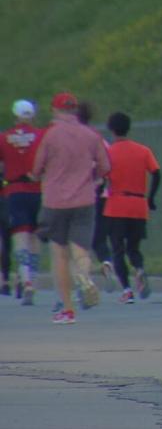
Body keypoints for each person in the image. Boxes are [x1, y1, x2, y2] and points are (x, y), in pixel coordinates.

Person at [32, 93, 110, 324]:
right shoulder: (91, 135)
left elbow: (37, 168)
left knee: (59, 254)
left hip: (55, 201)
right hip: (85, 199)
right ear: (75, 110)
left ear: (55, 110)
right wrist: (93, 178)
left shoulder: (50, 135)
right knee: (81, 250)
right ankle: (84, 277)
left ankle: (67, 309)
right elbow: (105, 166)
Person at [104, 112, 161, 304]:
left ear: (111, 129)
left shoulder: (109, 153)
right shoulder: (143, 151)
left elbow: (101, 176)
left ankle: (127, 290)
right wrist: (151, 198)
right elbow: (156, 173)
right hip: (138, 205)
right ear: (128, 128)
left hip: (116, 205)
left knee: (117, 249)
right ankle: (139, 269)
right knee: (134, 248)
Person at [0, 100, 45, 305]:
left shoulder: (4, 138)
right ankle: (32, 280)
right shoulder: (41, 136)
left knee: (20, 235)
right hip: (38, 190)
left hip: (14, 191)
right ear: (32, 115)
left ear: (15, 115)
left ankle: (25, 280)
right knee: (35, 237)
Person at [76, 101, 116, 293]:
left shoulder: (71, 138)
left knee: (79, 240)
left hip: (77, 195)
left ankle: (85, 279)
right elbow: (108, 165)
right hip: (101, 194)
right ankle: (106, 262)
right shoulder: (99, 139)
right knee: (99, 237)